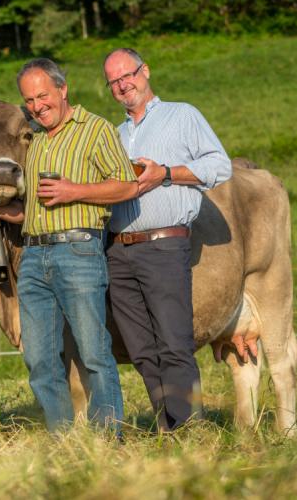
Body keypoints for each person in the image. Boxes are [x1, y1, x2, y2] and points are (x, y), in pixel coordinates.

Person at [0, 58, 138, 433]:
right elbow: (25, 212)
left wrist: (74, 191)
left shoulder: (95, 130)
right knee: (41, 359)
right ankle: (60, 436)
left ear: (62, 90)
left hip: (78, 251)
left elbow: (127, 186)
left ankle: (108, 435)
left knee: (94, 353)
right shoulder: (33, 140)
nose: (36, 106)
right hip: (33, 254)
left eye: (42, 95)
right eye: (28, 100)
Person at [103, 48, 232, 431]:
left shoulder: (182, 115)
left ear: (145, 71)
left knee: (173, 344)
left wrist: (167, 173)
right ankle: (167, 426)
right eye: (114, 81)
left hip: (163, 244)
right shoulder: (115, 135)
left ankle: (189, 428)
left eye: (128, 74)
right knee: (141, 350)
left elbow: (219, 165)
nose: (123, 84)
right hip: (119, 251)